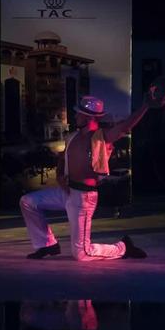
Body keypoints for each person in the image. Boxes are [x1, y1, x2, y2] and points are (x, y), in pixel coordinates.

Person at [20, 94, 155, 260]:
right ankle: (47, 244)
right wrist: (60, 174)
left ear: (89, 116)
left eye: (79, 113)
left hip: (83, 198)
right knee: (28, 202)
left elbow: (124, 127)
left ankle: (123, 247)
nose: (75, 115)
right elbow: (63, 159)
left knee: (82, 253)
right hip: (67, 192)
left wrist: (145, 106)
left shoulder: (101, 137)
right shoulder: (73, 137)